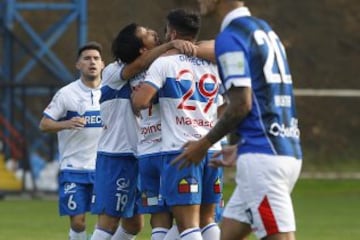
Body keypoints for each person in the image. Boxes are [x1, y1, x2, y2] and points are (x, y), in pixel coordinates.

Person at [172, 1, 303, 240]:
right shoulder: (264, 30)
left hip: (263, 160)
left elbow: (241, 103)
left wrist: (203, 145)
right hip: (284, 147)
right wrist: (242, 147)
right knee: (228, 234)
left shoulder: (230, 37)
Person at [90, 23, 197, 240]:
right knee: (109, 221)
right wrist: (172, 43)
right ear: (140, 48)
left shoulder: (156, 68)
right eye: (146, 33)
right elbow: (137, 65)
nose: (153, 32)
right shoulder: (114, 71)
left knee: (134, 224)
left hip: (143, 154)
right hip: (117, 156)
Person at [132, 9, 223, 240]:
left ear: (171, 33)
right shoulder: (212, 63)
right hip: (212, 150)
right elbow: (224, 106)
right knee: (207, 220)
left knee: (187, 225)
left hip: (181, 151)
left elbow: (141, 101)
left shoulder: (165, 63)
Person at [39, 41, 104, 240]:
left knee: (107, 221)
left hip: (104, 167)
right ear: (78, 65)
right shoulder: (67, 93)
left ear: (103, 64)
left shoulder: (111, 91)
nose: (92, 62)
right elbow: (44, 124)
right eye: (86, 58)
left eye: (96, 58)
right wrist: (66, 123)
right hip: (73, 167)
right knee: (78, 222)